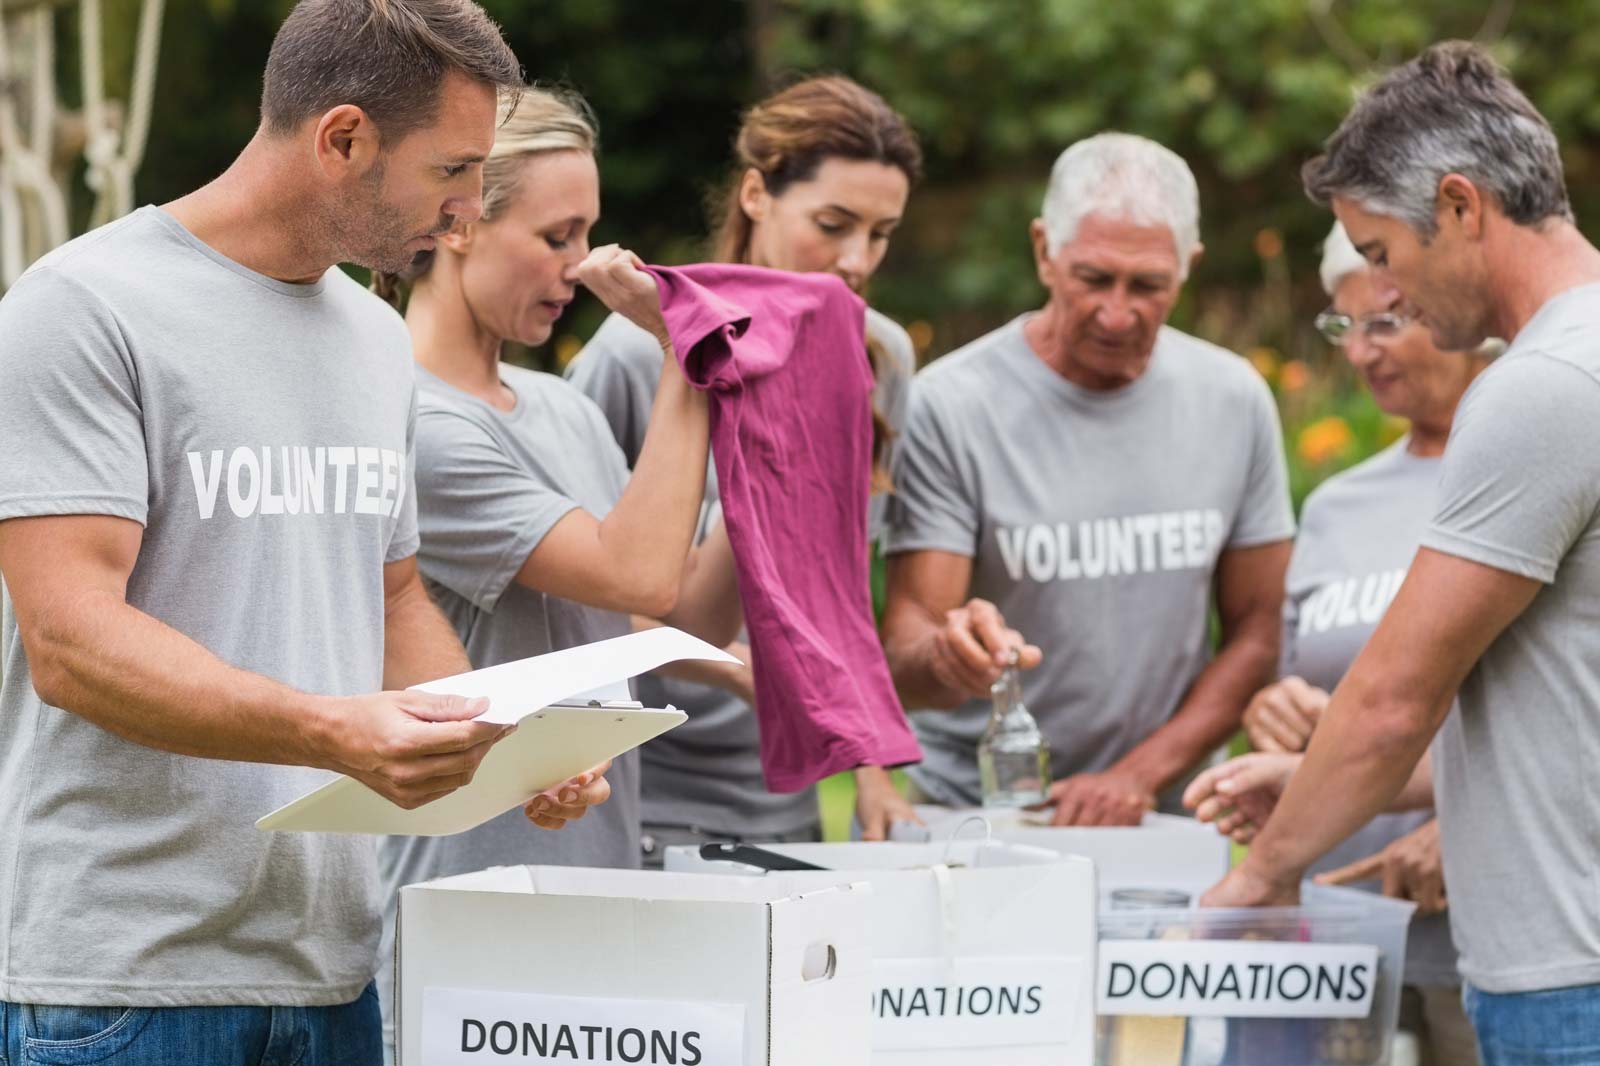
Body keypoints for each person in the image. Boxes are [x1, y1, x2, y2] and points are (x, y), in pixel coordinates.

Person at [0, 4, 608, 1063]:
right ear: (341, 139)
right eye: (454, 171)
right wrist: (333, 729)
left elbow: (392, 597)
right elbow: (70, 641)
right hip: (124, 984)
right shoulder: (84, 307)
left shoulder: (376, 339)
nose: (468, 213)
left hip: (331, 969)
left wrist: (499, 748)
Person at [1202, 41, 1600, 1063]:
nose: (1387, 293)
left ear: (1462, 207)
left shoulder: (1542, 386)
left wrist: (1260, 875)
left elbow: (1392, 696)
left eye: (1379, 253)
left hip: (1567, 973)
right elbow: (1555, 701)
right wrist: (1304, 778)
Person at [370, 85, 741, 1052]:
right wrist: (681, 352)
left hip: (594, 886)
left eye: (588, 234)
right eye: (556, 236)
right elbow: (639, 574)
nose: (580, 266)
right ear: (457, 225)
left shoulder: (561, 409)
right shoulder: (413, 420)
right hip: (463, 913)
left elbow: (660, 624)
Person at [880, 132, 1295, 824]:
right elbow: (908, 641)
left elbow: (1260, 628)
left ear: (1187, 267)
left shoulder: (1233, 399)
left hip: (1165, 808)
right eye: (1094, 278)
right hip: (982, 809)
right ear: (1045, 251)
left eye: (1149, 285)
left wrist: (1140, 774)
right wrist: (951, 655)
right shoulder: (953, 406)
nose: (1117, 312)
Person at [567, 75, 923, 853]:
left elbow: (838, 590)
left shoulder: (881, 354)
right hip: (645, 790)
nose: (856, 259)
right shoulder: (637, 352)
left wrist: (871, 774)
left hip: (785, 794)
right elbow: (574, 605)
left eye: (882, 232)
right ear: (757, 194)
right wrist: (736, 668)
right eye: (832, 224)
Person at [1185, 221, 1488, 1066]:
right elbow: (1313, 692)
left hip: (1477, 933)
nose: (1358, 352)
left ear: (1454, 302)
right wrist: (1272, 709)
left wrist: (1459, 821)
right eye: (1341, 324)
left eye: (1384, 319)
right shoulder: (1335, 504)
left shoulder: (1518, 468)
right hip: (1328, 928)